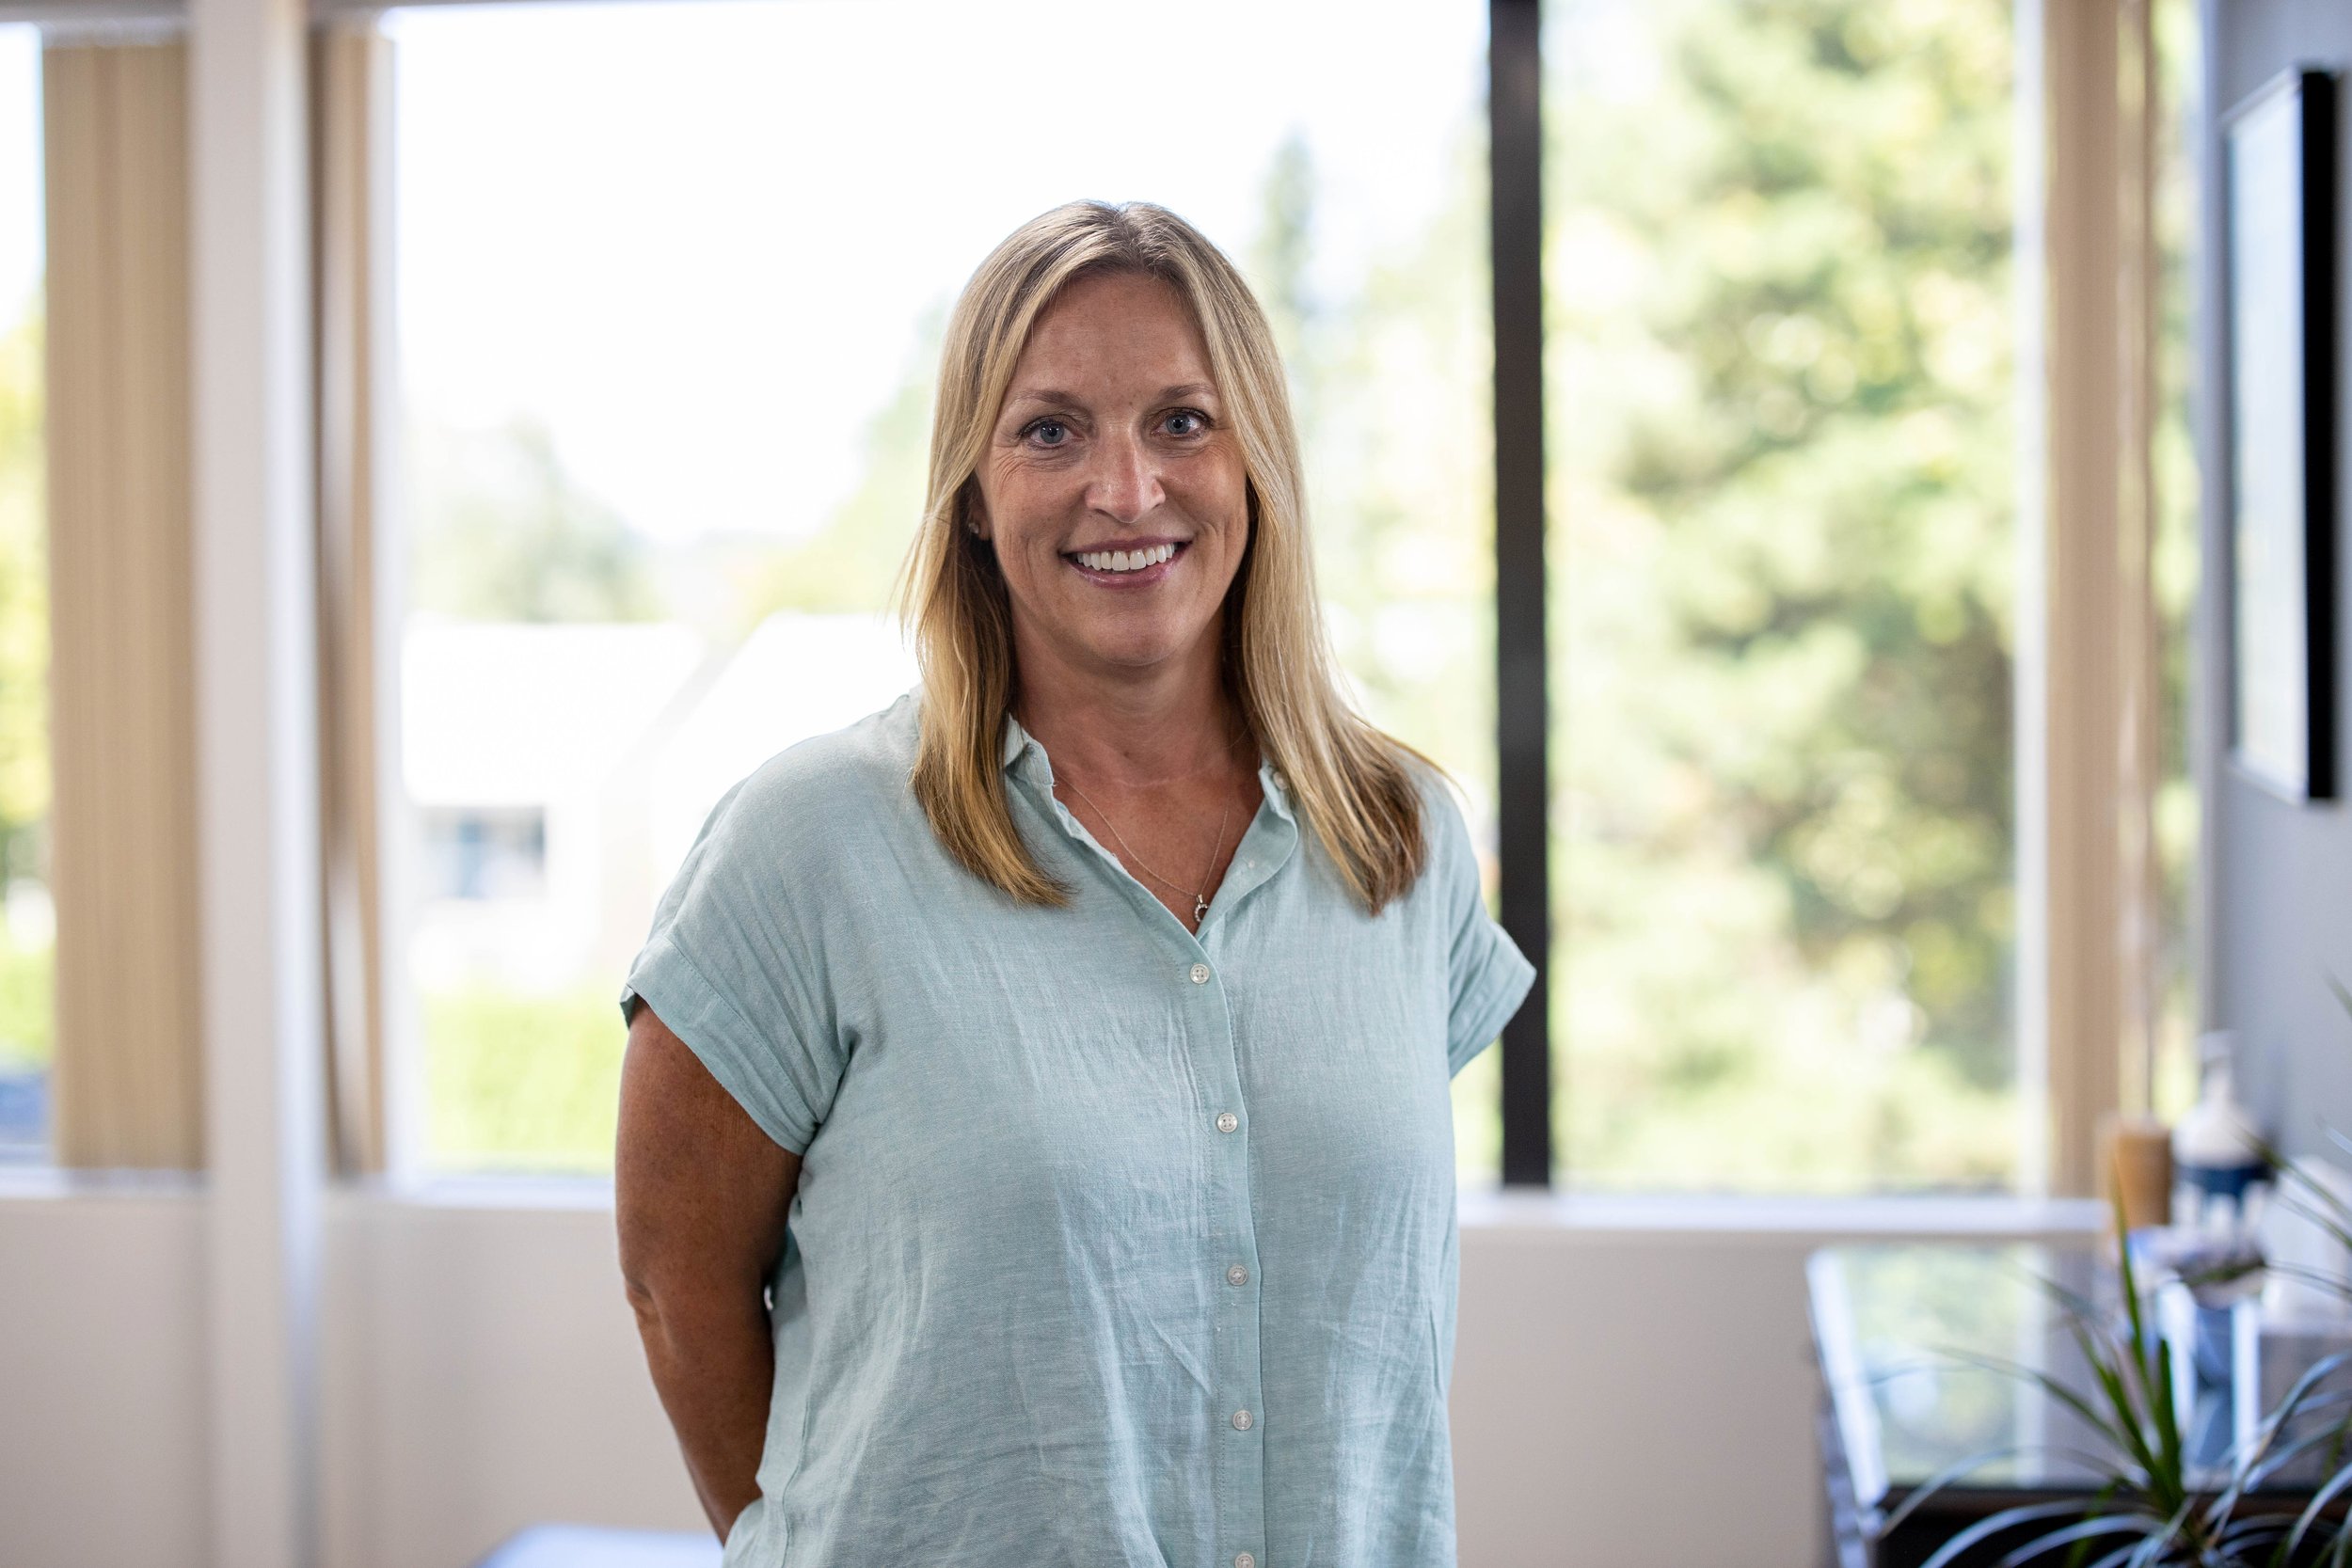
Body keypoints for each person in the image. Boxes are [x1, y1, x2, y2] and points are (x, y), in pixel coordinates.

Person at [613, 198, 1535, 1568]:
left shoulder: (1398, 842)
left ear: (1257, 463)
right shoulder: (809, 844)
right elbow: (675, 1284)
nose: (1127, 488)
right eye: (1051, 429)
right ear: (975, 497)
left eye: (1182, 420)